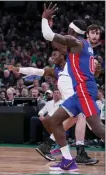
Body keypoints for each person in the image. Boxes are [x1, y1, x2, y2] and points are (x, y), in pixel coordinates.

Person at [40, 3, 105, 171]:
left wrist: (44, 18)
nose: (67, 34)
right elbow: (56, 43)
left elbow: (47, 35)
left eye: (68, 31)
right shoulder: (80, 46)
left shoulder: (76, 42)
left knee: (98, 128)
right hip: (80, 92)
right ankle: (68, 160)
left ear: (72, 31)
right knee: (55, 120)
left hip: (85, 90)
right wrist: (50, 27)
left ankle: (70, 158)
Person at [8, 48, 100, 165]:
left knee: (72, 121)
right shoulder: (55, 71)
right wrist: (18, 69)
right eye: (51, 55)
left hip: (75, 98)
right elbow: (36, 71)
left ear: (62, 55)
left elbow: (92, 73)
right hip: (72, 100)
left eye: (54, 54)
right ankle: (79, 152)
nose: (52, 57)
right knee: (78, 118)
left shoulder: (73, 64)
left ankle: (47, 145)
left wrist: (95, 67)